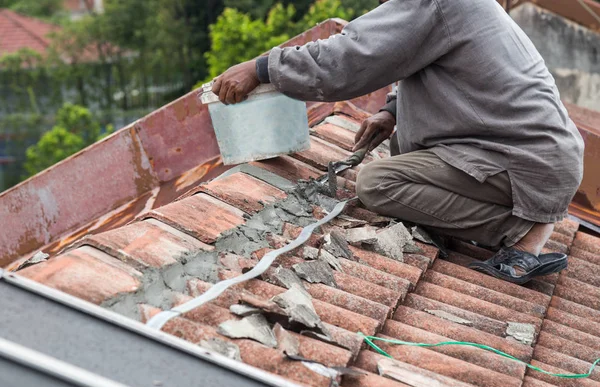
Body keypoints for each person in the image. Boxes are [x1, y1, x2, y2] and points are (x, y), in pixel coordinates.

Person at [211, 0, 584, 284]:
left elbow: (348, 58)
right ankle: (520, 220)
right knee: (400, 151)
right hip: (532, 155)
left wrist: (263, 68)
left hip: (523, 161)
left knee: (378, 183)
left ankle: (520, 232)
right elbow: (426, 60)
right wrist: (392, 111)